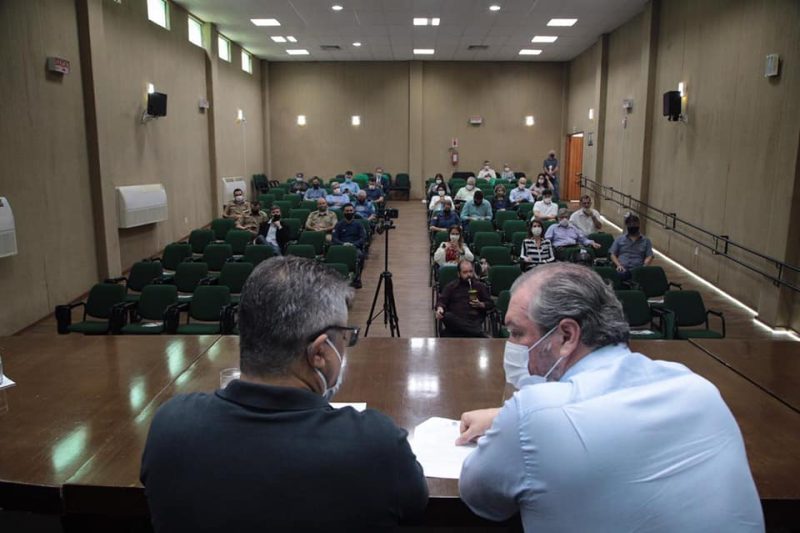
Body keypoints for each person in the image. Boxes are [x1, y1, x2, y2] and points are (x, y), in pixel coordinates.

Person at [456, 263, 762, 532]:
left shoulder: (532, 415)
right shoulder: (698, 389)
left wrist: (511, 420)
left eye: (517, 333)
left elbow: (482, 499)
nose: (512, 346)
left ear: (566, 336)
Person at [141, 256, 429, 532]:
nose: (345, 347)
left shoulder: (171, 424)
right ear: (319, 352)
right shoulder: (376, 442)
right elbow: (416, 507)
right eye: (345, 337)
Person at [435, 259, 494, 338]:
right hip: (455, 320)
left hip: (473, 319)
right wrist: (440, 308)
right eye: (465, 272)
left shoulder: (480, 286)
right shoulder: (451, 286)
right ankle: (477, 333)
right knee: (447, 316)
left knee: (447, 332)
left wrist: (481, 304)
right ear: (459, 274)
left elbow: (490, 304)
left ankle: (472, 331)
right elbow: (442, 301)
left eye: (470, 271)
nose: (469, 275)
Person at [609, 213, 654, 280]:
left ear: (639, 224)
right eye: (630, 224)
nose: (632, 226)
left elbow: (649, 256)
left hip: (638, 269)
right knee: (621, 275)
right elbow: (612, 254)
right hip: (622, 268)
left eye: (634, 224)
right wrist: (618, 265)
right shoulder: (619, 239)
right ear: (627, 225)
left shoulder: (646, 241)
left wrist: (644, 266)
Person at [332, 203, 367, 289]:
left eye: (351, 211)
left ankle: (357, 278)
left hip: (354, 247)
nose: (349, 212)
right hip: (341, 247)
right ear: (343, 212)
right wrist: (342, 244)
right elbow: (334, 238)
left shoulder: (359, 225)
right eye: (347, 211)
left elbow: (362, 238)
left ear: (354, 212)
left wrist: (353, 244)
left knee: (360, 256)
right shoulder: (339, 224)